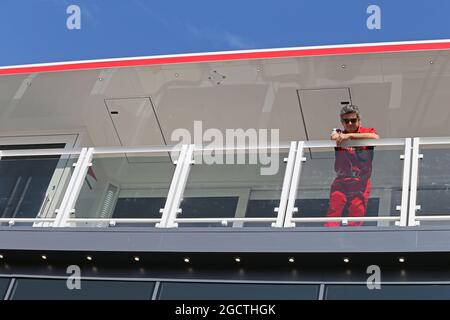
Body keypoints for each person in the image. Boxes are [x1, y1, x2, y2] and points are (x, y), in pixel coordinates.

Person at [324, 105, 379, 227]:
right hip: (342, 179)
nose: (350, 123)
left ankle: (351, 241)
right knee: (334, 210)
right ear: (342, 122)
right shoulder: (339, 132)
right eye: (346, 121)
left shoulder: (366, 132)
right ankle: (328, 239)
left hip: (361, 181)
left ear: (359, 120)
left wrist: (350, 136)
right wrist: (340, 135)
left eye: (353, 120)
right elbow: (333, 136)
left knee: (357, 213)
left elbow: (375, 137)